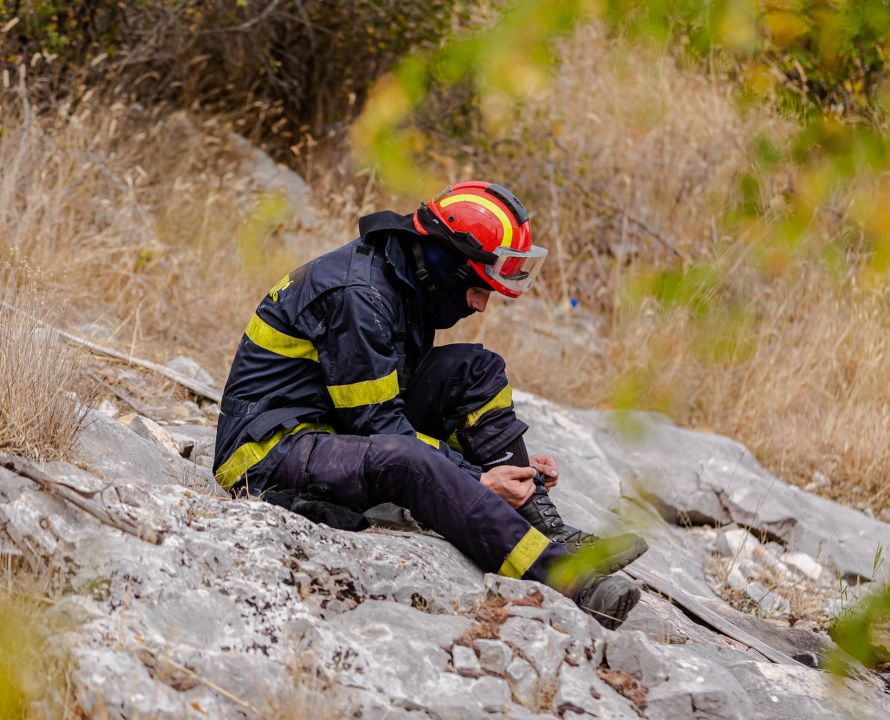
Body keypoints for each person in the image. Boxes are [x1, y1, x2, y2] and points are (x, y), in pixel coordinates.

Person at [213, 181, 646, 628]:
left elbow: (383, 409)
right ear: (448, 267)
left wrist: (505, 465)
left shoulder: (403, 278)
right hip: (267, 455)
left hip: (331, 425)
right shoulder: (359, 295)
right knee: (412, 460)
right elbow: (378, 429)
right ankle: (570, 579)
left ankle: (540, 521)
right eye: (479, 288)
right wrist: (477, 478)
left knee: (475, 368)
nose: (481, 305)